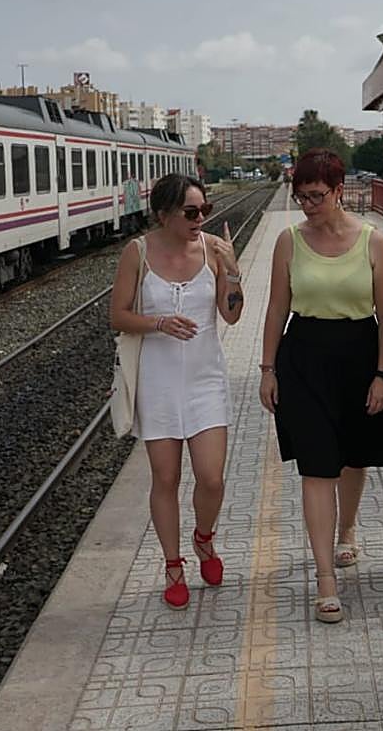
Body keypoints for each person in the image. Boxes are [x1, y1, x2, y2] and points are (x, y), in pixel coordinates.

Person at [259, 148, 383, 624]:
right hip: (303, 357)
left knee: (352, 457)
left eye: (317, 195)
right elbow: (277, 309)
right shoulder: (288, 241)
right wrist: (267, 369)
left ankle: (348, 529)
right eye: (301, 196)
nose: (308, 205)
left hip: (360, 354)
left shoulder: (374, 241)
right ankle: (325, 577)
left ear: (341, 190)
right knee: (317, 466)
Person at [109, 173, 244, 610]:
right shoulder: (138, 253)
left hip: (205, 379)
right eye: (191, 212)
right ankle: (173, 564)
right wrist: (159, 323)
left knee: (211, 478)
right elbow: (118, 316)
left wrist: (232, 271)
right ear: (163, 213)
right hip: (158, 381)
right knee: (165, 478)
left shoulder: (211, 249)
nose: (201, 218)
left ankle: (204, 537)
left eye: (204, 210)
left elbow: (232, 317)